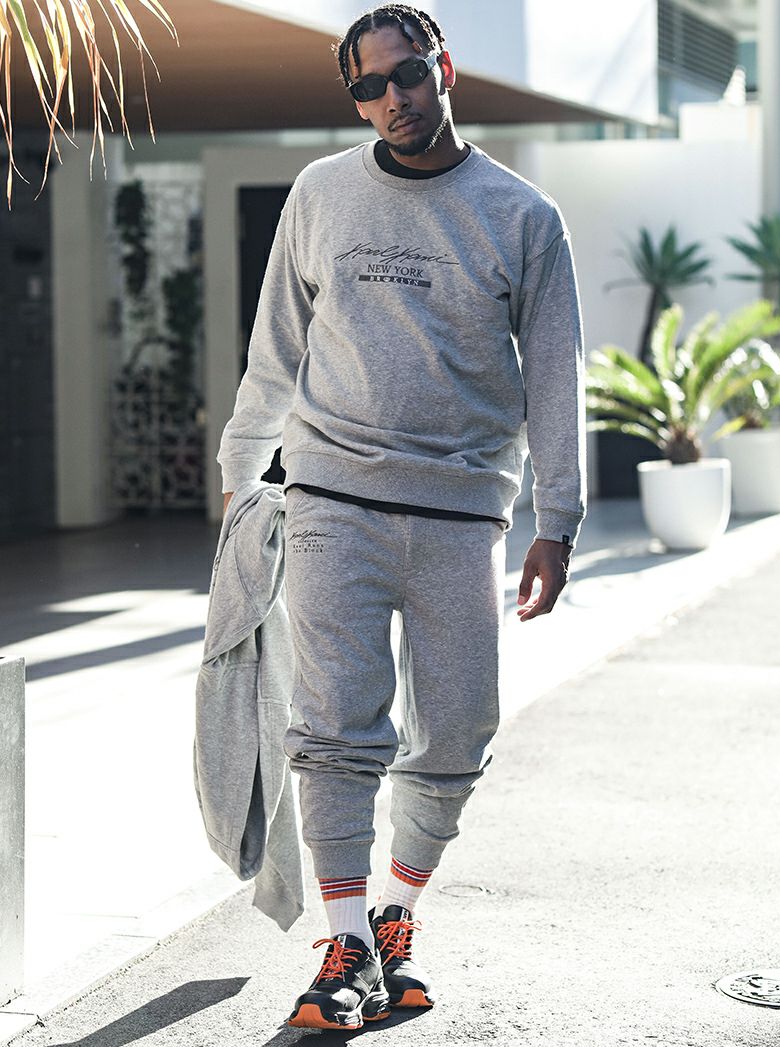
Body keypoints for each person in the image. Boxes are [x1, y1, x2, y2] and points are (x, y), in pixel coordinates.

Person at [217, 3, 586, 1030]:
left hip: (462, 512)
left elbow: (556, 375)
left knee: (459, 727)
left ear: (444, 68)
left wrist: (558, 519)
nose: (392, 99)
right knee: (336, 728)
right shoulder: (320, 192)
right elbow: (275, 347)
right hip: (331, 498)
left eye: (407, 74)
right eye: (368, 87)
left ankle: (393, 919)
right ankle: (342, 949)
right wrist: (240, 474)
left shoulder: (523, 216)